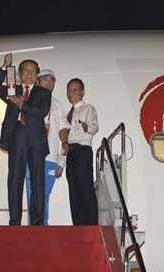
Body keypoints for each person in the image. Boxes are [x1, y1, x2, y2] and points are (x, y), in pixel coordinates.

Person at [0, 53, 51, 225]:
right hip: (16, 137)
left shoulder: (43, 92)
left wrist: (21, 104)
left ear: (37, 75)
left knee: (38, 181)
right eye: (25, 71)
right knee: (15, 180)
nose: (29, 75)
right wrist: (4, 67)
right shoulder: (12, 90)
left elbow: (42, 112)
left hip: (36, 140)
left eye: (33, 72)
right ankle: (14, 220)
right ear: (19, 73)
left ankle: (37, 221)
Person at [25, 69, 69, 225]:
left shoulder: (57, 104)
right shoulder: (29, 100)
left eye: (52, 80)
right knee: (32, 195)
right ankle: (35, 229)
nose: (49, 83)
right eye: (45, 79)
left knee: (44, 195)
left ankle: (42, 228)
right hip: (31, 157)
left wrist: (62, 161)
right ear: (37, 81)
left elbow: (64, 129)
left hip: (50, 158)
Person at [66, 78, 99, 225]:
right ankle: (78, 225)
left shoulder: (88, 108)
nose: (70, 93)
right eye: (69, 90)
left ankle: (90, 223)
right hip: (71, 152)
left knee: (85, 187)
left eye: (74, 90)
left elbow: (94, 125)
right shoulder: (69, 113)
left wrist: (87, 127)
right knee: (73, 189)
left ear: (82, 92)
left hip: (83, 151)